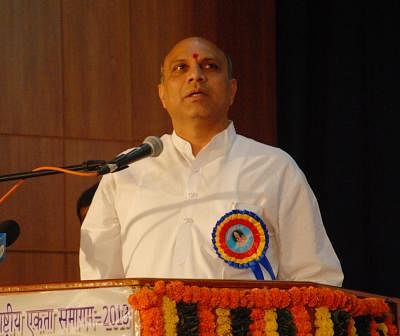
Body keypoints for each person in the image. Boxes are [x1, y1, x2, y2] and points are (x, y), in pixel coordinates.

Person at [79, 37, 343, 286]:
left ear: (232, 90)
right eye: (180, 68)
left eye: (210, 66)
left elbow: (315, 277)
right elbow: (100, 284)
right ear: (162, 94)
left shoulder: (274, 168)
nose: (196, 75)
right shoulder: (127, 169)